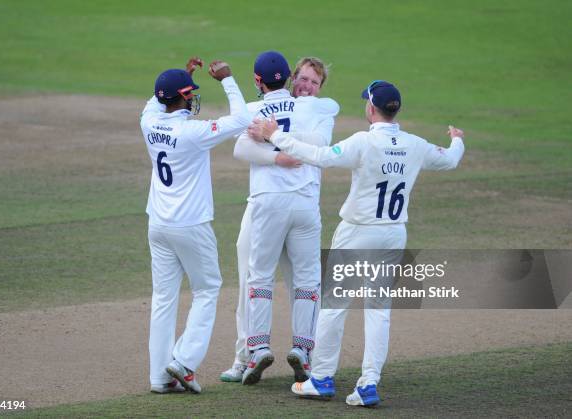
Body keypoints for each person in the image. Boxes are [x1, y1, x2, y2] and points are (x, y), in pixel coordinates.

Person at [248, 80, 465, 406]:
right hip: (393, 233)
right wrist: (458, 140)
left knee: (334, 307)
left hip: (357, 232)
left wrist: (275, 136)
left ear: (371, 108)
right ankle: (368, 384)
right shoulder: (415, 144)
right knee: (379, 312)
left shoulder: (363, 142)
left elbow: (319, 156)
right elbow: (449, 160)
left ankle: (320, 379)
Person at [220, 57, 335, 383]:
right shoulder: (276, 109)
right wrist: (279, 152)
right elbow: (241, 149)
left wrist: (274, 134)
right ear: (290, 78)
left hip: (285, 205)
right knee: (262, 276)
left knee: (282, 278)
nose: (307, 86)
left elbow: (320, 142)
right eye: (303, 79)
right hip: (275, 206)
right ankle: (250, 355)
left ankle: (275, 350)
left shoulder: (317, 110)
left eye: (314, 82)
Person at [140, 57, 251, 394]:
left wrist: (179, 79)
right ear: (184, 97)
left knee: (164, 298)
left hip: (158, 224)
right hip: (190, 225)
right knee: (207, 289)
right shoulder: (194, 133)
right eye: (189, 94)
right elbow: (242, 119)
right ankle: (184, 360)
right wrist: (228, 80)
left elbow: (154, 101)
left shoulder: (148, 122)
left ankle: (159, 377)